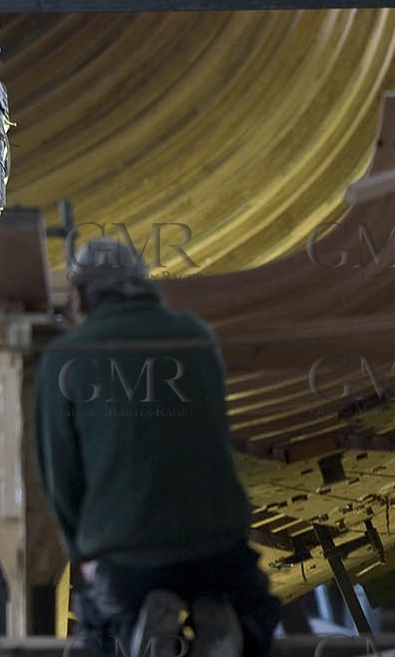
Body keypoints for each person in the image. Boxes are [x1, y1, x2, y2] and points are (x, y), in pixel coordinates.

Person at [34, 237, 280, 657]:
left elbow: (59, 475)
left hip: (129, 562)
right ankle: (230, 629)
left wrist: (83, 552)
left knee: (103, 637)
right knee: (254, 617)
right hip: (220, 547)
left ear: (78, 297)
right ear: (144, 285)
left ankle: (143, 638)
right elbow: (216, 437)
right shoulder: (197, 336)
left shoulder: (65, 357)